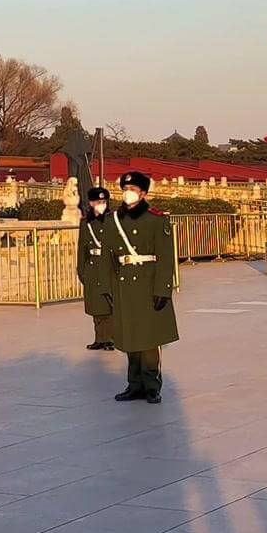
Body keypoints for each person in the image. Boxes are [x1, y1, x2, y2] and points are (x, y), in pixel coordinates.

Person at [106, 171, 178, 403]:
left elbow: (166, 257)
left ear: (143, 193)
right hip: (124, 284)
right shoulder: (113, 220)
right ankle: (134, 383)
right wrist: (108, 288)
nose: (128, 193)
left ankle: (151, 384)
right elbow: (109, 256)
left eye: (133, 190)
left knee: (149, 338)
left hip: (148, 284)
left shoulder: (156, 219)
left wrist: (163, 290)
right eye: (125, 189)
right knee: (130, 336)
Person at [77, 186, 117, 350]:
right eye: (98, 202)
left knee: (109, 304)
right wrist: (81, 270)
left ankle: (111, 338)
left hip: (108, 265)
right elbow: (82, 248)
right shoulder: (86, 222)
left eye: (103, 201)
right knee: (95, 305)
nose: (101, 204)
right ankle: (99, 338)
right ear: (92, 203)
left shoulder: (113, 219)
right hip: (92, 266)